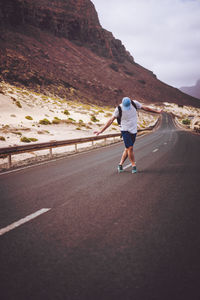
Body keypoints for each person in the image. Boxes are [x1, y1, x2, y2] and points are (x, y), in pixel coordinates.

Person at [94, 97, 162, 173]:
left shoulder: (134, 103)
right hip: (124, 130)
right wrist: (101, 131)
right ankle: (134, 165)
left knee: (127, 149)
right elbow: (110, 120)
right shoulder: (118, 109)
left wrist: (157, 111)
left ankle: (120, 164)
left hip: (133, 130)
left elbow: (145, 108)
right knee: (130, 148)